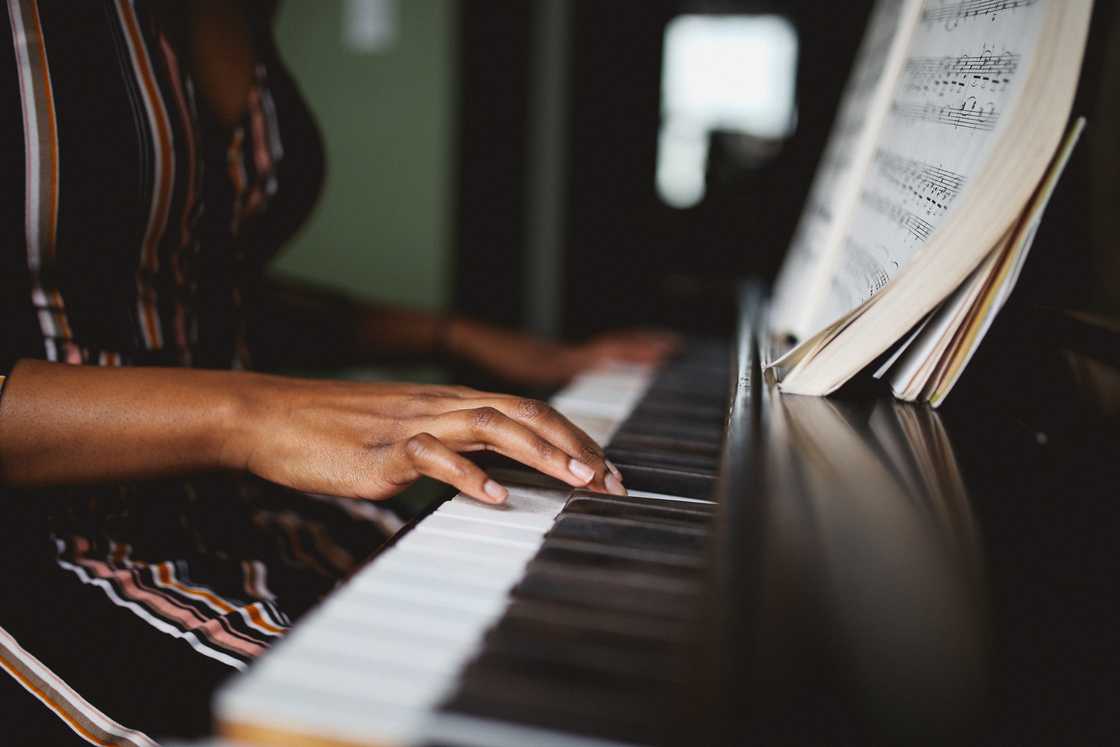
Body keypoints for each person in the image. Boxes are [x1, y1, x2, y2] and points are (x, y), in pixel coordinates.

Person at [0, 1, 676, 742]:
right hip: (47, 543)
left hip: (232, 513)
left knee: (545, 641)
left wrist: (472, 340)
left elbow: (198, 288)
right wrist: (251, 413)